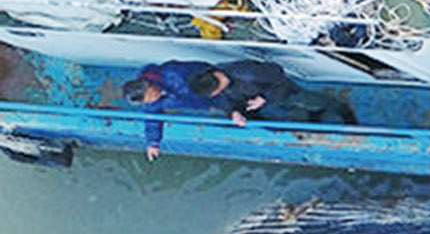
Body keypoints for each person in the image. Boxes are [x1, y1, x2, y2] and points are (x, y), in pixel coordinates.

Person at [122, 61, 356, 128]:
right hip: (257, 98)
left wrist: (265, 97)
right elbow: (224, 99)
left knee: (307, 100)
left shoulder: (247, 73)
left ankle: (339, 108)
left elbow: (277, 75)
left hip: (279, 90)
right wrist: (233, 111)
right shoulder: (223, 89)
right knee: (288, 110)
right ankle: (310, 118)